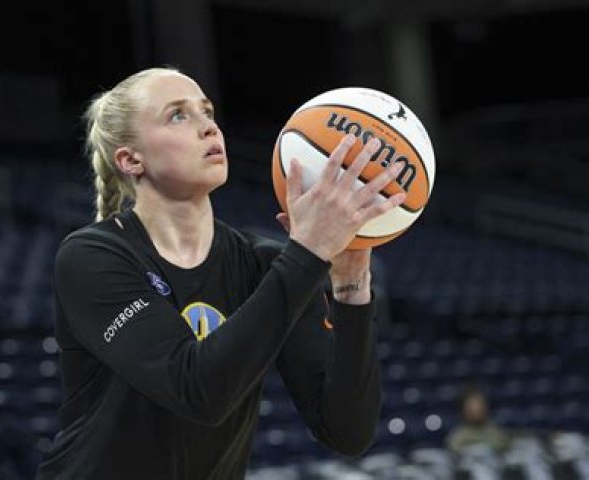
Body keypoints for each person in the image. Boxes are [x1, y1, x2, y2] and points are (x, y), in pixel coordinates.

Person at [35, 67, 407, 479]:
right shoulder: (92, 257)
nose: (209, 127)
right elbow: (197, 391)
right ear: (130, 159)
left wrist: (351, 284)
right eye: (178, 115)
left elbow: (347, 433)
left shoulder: (266, 264)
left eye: (207, 111)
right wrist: (308, 253)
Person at [447, 384, 510, 455]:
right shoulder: (457, 435)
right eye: (471, 405)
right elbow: (453, 448)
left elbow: (503, 445)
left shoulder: (497, 433)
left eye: (479, 404)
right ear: (463, 409)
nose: (476, 409)